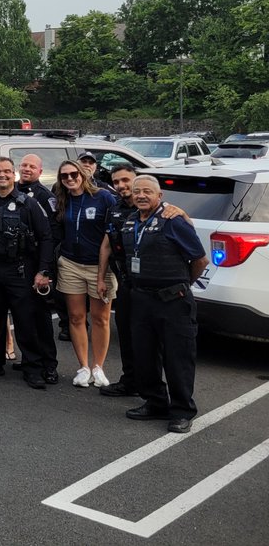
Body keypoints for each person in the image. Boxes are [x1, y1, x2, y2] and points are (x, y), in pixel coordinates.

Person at [109, 176, 207, 433]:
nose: (141, 195)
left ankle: (182, 411)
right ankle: (155, 402)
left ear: (159, 195)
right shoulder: (131, 221)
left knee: (178, 358)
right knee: (144, 355)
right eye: (137, 191)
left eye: (147, 192)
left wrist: (183, 284)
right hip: (141, 299)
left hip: (173, 300)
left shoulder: (173, 221)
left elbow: (200, 260)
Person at [0, 157, 58, 389]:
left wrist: (43, 270)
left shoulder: (28, 204)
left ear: (13, 174)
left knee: (26, 321)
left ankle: (32, 367)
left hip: (20, 270)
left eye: (6, 171)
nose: (1, 175)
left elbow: (46, 237)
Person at [96, 163, 186, 397]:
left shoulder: (160, 210)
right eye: (116, 182)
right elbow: (106, 245)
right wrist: (101, 278)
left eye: (125, 180)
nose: (121, 185)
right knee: (126, 334)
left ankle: (152, 389)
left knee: (150, 341)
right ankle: (130, 381)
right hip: (126, 282)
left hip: (151, 284)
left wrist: (182, 213)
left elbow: (190, 238)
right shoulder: (114, 209)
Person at [53, 159, 119, 388]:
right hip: (70, 264)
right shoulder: (62, 200)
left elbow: (114, 227)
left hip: (100, 266)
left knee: (101, 318)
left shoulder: (103, 197)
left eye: (74, 174)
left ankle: (98, 366)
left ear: (82, 174)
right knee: (76, 317)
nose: (70, 178)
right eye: (64, 176)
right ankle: (83, 367)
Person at [17, 152, 68, 346]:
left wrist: (44, 266)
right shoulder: (12, 190)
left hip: (36, 262)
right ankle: (28, 354)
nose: (27, 169)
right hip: (16, 263)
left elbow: (54, 234)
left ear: (40, 171)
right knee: (21, 312)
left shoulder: (45, 196)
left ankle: (45, 357)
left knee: (39, 311)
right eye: (24, 165)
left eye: (32, 166)